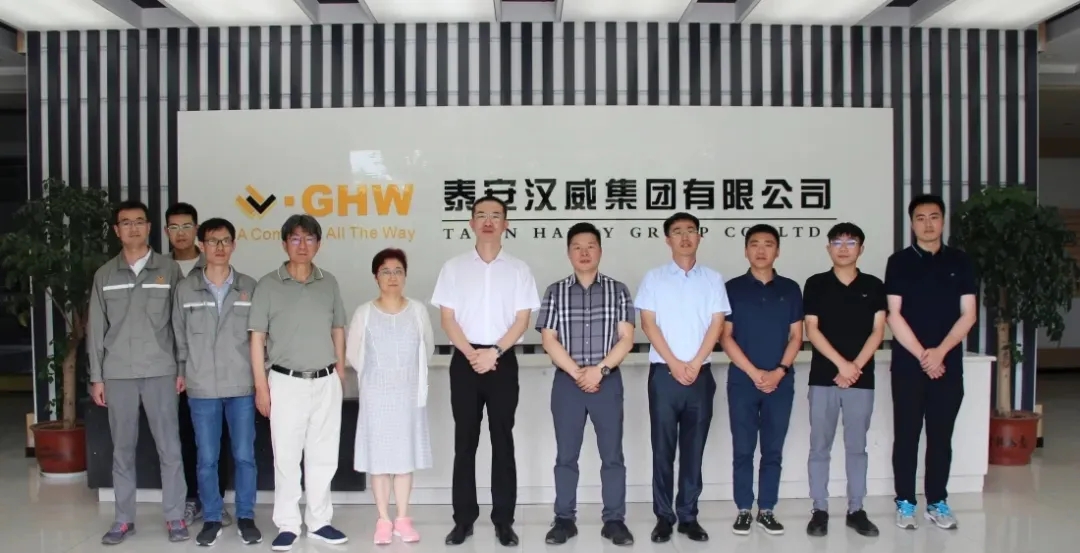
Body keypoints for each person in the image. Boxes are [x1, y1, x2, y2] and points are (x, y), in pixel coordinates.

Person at [430, 195, 540, 547]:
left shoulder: (519, 269)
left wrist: (494, 352)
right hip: (465, 361)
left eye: (495, 215)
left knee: (502, 440)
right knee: (465, 442)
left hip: (502, 361)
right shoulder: (453, 268)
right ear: (471, 223)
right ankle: (463, 520)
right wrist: (472, 354)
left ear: (506, 224)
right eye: (481, 215)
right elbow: (447, 318)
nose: (488, 221)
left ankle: (503, 521)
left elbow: (522, 319)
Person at [88, 199, 188, 544]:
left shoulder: (169, 271)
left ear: (149, 227)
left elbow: (179, 325)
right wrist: (97, 377)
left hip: (161, 371)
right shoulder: (104, 275)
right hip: (118, 374)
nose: (133, 228)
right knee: (122, 450)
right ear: (117, 231)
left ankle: (175, 516)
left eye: (139, 222)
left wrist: (182, 367)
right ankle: (123, 519)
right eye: (126, 223)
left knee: (169, 448)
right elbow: (96, 330)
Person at [248, 214, 349, 551]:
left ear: (318, 244)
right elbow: (257, 338)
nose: (302, 245)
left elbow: (337, 328)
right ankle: (288, 524)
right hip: (285, 381)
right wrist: (261, 387)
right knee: (287, 456)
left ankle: (319, 521)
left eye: (309, 239)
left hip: (325, 379)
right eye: (295, 238)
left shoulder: (328, 282)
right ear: (284, 244)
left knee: (324, 455)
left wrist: (340, 370)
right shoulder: (268, 285)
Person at [536, 222, 636, 546]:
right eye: (577, 247)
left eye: (590, 246)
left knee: (612, 455)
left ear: (600, 251)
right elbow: (549, 339)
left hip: (607, 382)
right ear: (568, 253)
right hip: (568, 384)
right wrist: (579, 372)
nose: (584, 252)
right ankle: (564, 520)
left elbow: (626, 338)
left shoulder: (618, 290)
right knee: (566, 455)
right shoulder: (555, 291)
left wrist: (600, 370)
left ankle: (614, 521)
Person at [635, 212, 729, 544]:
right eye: (677, 231)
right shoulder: (654, 278)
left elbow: (717, 323)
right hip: (664, 375)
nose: (685, 237)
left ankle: (688, 516)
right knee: (662, 449)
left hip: (700, 375)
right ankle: (664, 517)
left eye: (691, 231)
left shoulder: (713, 279)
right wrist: (675, 363)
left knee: (694, 449)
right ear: (667, 239)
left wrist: (695, 362)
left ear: (699, 236)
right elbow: (648, 324)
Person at [885, 194, 977, 531]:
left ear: (943, 220)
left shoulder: (961, 261)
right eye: (921, 218)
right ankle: (905, 502)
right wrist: (924, 355)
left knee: (941, 436)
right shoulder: (899, 262)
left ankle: (937, 501)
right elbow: (893, 314)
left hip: (947, 365)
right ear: (912, 223)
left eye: (934, 217)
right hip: (909, 366)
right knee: (907, 435)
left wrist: (940, 352)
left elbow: (969, 314)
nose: (928, 224)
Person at [171, 218, 262, 546]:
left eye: (225, 241)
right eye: (212, 241)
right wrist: (182, 371)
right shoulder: (186, 289)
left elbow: (261, 338)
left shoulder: (250, 287)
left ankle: (246, 516)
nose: (219, 247)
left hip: (241, 386)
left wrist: (261, 379)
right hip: (202, 387)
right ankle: (211, 517)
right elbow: (179, 336)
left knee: (244, 456)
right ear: (202, 246)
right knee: (206, 458)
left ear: (234, 245)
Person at [345, 248, 435, 545]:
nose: (392, 277)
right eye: (386, 271)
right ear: (376, 277)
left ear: (405, 276)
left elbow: (427, 348)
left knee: (404, 459)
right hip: (377, 395)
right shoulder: (364, 312)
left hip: (408, 394)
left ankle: (403, 519)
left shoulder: (418, 311)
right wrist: (379, 377)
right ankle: (383, 519)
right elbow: (353, 353)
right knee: (380, 460)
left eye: (398, 271)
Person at [802, 223, 885, 538]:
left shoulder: (874, 285)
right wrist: (842, 365)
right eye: (837, 242)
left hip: (861, 380)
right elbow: (812, 330)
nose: (844, 248)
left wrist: (855, 367)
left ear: (861, 249)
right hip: (823, 378)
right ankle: (819, 510)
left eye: (851, 242)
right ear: (828, 248)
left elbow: (878, 331)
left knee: (857, 447)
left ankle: (856, 510)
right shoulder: (816, 283)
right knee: (819, 447)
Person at [721, 224, 803, 537]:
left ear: (777, 251)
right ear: (746, 250)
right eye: (754, 244)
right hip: (743, 381)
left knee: (772, 449)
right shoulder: (731, 288)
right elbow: (725, 337)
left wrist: (779, 371)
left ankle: (767, 509)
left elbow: (797, 336)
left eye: (768, 244)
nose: (761, 250)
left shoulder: (790, 289)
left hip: (780, 382)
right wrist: (755, 373)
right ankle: (744, 509)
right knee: (743, 448)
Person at [163, 202, 231, 529]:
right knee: (185, 437)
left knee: (218, 439)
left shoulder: (215, 265)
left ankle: (215, 500)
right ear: (166, 231)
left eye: (187, 226)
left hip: (213, 372)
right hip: (175, 370)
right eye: (174, 227)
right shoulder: (160, 268)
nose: (181, 233)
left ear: (197, 231)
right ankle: (191, 499)